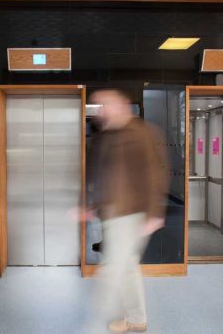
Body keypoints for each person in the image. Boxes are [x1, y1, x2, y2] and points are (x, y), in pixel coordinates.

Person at [85, 88, 169, 333]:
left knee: (112, 268)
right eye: (98, 106)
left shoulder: (142, 132)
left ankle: (92, 323)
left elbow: (156, 173)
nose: (101, 110)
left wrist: (155, 213)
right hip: (110, 214)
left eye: (105, 104)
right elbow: (98, 173)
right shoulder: (105, 135)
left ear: (122, 104)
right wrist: (89, 205)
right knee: (127, 268)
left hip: (132, 213)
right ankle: (137, 319)